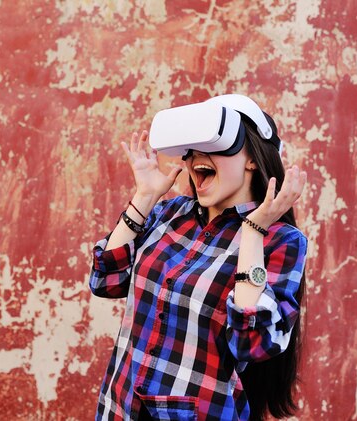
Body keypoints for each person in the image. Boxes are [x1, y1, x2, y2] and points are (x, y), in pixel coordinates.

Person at [88, 95, 308, 421]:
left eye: (213, 144)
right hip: (119, 408)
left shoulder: (281, 241)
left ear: (251, 158)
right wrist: (145, 196)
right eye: (190, 150)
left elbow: (253, 342)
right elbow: (105, 281)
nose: (193, 158)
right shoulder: (169, 213)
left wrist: (252, 232)